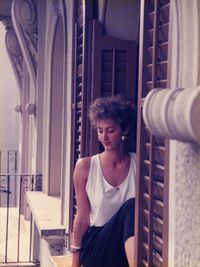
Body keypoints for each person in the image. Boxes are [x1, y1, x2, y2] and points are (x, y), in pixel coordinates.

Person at [71, 95, 136, 267]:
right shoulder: (85, 167)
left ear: (125, 130)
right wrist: (75, 262)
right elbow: (82, 219)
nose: (104, 137)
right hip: (97, 246)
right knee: (132, 206)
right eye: (100, 130)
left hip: (125, 250)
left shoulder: (140, 166)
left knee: (133, 207)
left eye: (110, 130)